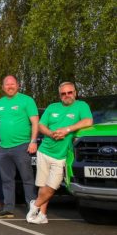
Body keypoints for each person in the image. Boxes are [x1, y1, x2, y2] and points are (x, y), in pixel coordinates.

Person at [27, 82, 93, 225]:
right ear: (60, 95)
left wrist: (67, 130)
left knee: (52, 187)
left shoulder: (81, 106)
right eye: (63, 93)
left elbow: (88, 121)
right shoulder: (52, 107)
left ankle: (35, 204)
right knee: (42, 185)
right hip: (44, 151)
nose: (67, 96)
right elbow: (41, 125)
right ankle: (42, 215)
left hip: (61, 155)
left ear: (75, 93)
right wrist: (51, 133)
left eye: (69, 92)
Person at [0, 75, 39, 219]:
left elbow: (35, 122)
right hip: (4, 148)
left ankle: (33, 210)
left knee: (27, 179)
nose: (10, 87)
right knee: (6, 179)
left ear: (18, 85)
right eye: (7, 84)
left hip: (22, 146)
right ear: (2, 87)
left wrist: (33, 141)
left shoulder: (27, 100)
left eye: (12, 84)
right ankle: (8, 208)